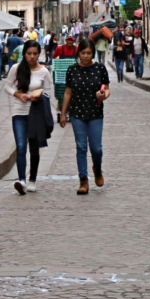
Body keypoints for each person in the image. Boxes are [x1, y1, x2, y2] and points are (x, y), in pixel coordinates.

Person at [59, 38, 111, 195]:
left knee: (96, 148)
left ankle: (97, 168)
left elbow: (106, 89)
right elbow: (68, 92)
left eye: (89, 53)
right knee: (81, 147)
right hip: (77, 114)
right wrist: (63, 113)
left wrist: (103, 96)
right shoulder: (72, 70)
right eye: (83, 53)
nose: (86, 56)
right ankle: (83, 180)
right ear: (78, 53)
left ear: (93, 53)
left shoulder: (100, 69)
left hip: (95, 113)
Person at [4, 39, 54, 195]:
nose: (32, 57)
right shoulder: (16, 68)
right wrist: (18, 94)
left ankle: (32, 179)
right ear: (24, 54)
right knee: (20, 146)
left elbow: (48, 92)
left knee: (34, 148)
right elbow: (7, 86)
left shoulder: (43, 71)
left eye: (35, 54)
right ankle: (22, 181)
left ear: (39, 54)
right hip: (19, 111)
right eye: (29, 54)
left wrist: (39, 96)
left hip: (36, 113)